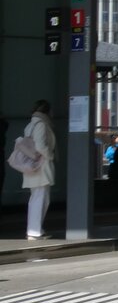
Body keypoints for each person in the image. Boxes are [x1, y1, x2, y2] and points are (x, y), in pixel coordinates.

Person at [22, 100, 56, 240]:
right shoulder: (41, 125)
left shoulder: (30, 125)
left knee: (36, 198)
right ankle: (35, 231)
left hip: (31, 166)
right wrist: (50, 155)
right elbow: (41, 146)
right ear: (47, 111)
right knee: (41, 198)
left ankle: (35, 229)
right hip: (40, 166)